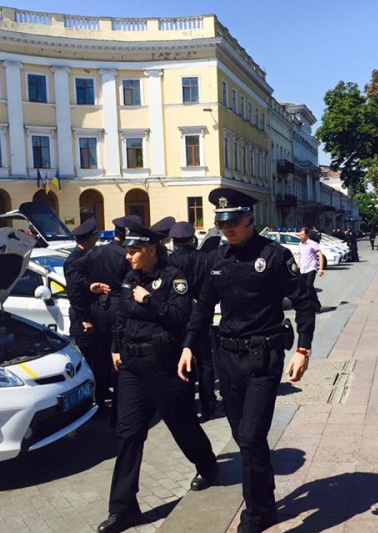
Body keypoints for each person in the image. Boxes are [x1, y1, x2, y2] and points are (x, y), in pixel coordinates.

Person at [178, 187, 315, 533]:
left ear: (250, 220)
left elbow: (305, 301)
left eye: (235, 223)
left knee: (252, 436)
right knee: (243, 437)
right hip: (227, 357)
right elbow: (203, 309)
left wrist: (303, 349)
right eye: (223, 224)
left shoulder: (274, 255)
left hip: (263, 358)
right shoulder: (216, 260)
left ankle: (255, 514)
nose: (228, 230)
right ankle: (266, 501)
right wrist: (189, 346)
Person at [98, 219, 218, 533]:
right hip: (132, 367)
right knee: (128, 434)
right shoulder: (129, 278)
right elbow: (120, 316)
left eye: (134, 250)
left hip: (163, 365)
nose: (128, 256)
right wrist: (114, 346)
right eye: (127, 250)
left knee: (181, 422)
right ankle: (123, 509)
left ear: (151, 249)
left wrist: (149, 300)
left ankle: (207, 465)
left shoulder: (172, 279)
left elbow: (181, 318)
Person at [78, 216, 136, 414]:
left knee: (100, 356)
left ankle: (99, 400)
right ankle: (121, 402)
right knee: (120, 354)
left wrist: (90, 286)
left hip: (99, 308)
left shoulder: (96, 252)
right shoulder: (125, 255)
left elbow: (75, 271)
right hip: (119, 307)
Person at [167, 220, 218, 421]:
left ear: (174, 241)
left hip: (179, 317)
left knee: (183, 361)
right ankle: (209, 404)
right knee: (206, 361)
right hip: (202, 315)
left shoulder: (171, 261)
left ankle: (188, 405)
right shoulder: (205, 259)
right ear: (192, 239)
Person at [64, 218, 98, 385]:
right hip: (81, 317)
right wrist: (84, 319)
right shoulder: (75, 261)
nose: (97, 238)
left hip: (89, 313)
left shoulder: (86, 256)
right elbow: (74, 294)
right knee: (85, 356)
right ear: (89, 238)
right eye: (95, 235)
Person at [298, 227, 324, 313]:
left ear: (307, 235)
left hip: (311, 268)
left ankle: (316, 306)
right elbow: (301, 256)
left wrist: (321, 268)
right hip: (303, 269)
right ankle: (310, 305)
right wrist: (298, 266)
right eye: (300, 234)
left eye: (302, 235)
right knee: (305, 288)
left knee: (309, 286)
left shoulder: (312, 244)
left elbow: (320, 255)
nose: (300, 236)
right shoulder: (300, 245)